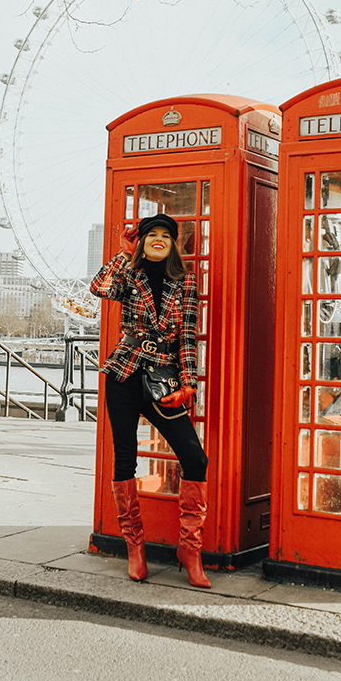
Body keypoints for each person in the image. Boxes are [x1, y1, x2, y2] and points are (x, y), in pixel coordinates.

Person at [90, 213, 210, 588]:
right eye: (151, 234)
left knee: (195, 457)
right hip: (123, 375)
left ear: (174, 244)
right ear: (142, 241)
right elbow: (99, 288)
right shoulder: (130, 274)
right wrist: (124, 253)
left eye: (165, 235)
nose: (158, 239)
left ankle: (190, 549)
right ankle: (135, 548)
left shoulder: (185, 283)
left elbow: (187, 336)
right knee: (126, 457)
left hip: (164, 381)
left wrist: (190, 384)